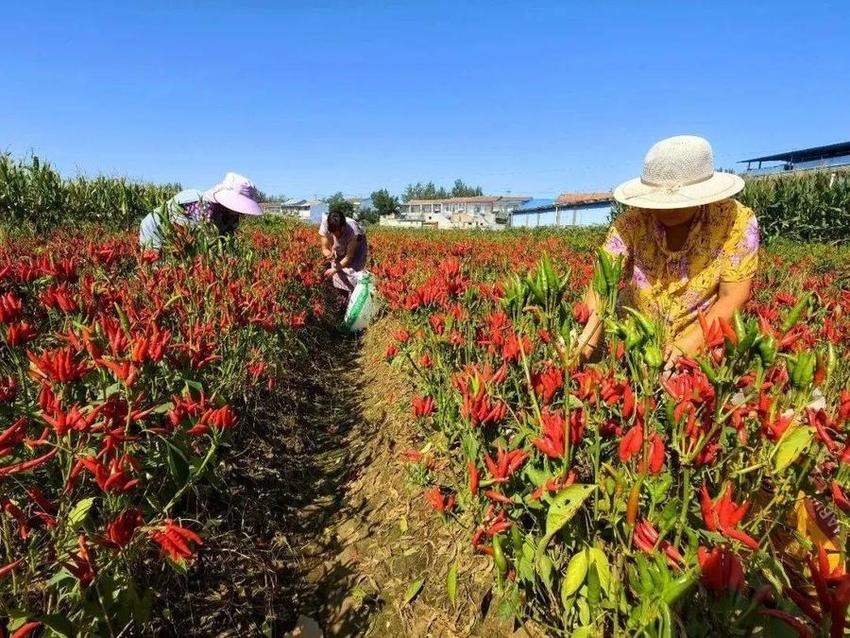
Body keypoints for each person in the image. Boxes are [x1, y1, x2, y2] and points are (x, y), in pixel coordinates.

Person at [577, 135, 759, 370]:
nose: (669, 209)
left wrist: (690, 343)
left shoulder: (735, 221)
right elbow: (603, 286)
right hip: (636, 339)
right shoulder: (630, 224)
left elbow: (733, 295)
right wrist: (584, 342)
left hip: (702, 338)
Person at [139, 172, 263, 250]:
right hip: (156, 231)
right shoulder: (200, 207)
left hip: (180, 237)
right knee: (158, 268)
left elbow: (224, 238)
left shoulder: (231, 214)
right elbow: (186, 240)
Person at [319, 201, 368, 303]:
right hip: (340, 247)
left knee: (352, 271)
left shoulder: (353, 230)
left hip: (357, 247)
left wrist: (334, 269)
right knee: (338, 272)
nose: (337, 235)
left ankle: (354, 299)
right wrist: (330, 254)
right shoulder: (325, 225)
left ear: (343, 226)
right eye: (334, 233)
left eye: (339, 231)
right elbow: (324, 248)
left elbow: (349, 256)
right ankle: (342, 302)